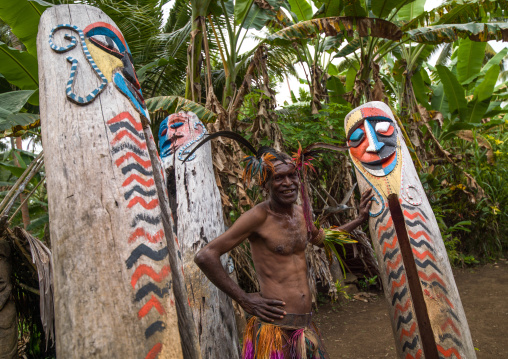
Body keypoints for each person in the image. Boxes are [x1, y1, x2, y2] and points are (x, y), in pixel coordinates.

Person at [194, 150, 373, 359]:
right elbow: (206, 256)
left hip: (304, 327)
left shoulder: (301, 213)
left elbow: (323, 239)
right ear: (265, 185)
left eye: (292, 175)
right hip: (275, 330)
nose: (288, 182)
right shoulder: (257, 217)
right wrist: (244, 299)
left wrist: (359, 219)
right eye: (279, 178)